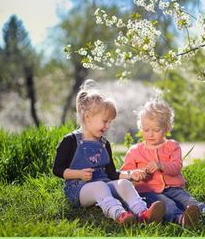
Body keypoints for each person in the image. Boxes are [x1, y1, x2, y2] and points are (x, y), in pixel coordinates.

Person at [53, 80, 165, 225]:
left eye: (110, 122)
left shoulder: (104, 144)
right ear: (87, 117)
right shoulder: (70, 141)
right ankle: (120, 214)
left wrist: (131, 175)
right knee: (100, 187)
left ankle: (143, 212)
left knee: (124, 184)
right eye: (105, 121)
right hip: (78, 189)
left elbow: (112, 174)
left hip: (104, 184)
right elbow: (57, 169)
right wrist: (79, 174)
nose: (107, 126)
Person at [121, 99, 205, 228]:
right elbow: (125, 173)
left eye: (156, 130)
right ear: (141, 128)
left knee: (190, 201)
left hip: (173, 188)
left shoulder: (172, 146)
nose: (150, 134)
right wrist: (134, 174)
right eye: (146, 130)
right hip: (149, 192)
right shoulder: (135, 150)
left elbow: (176, 167)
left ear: (166, 128)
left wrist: (160, 165)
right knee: (167, 204)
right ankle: (182, 219)